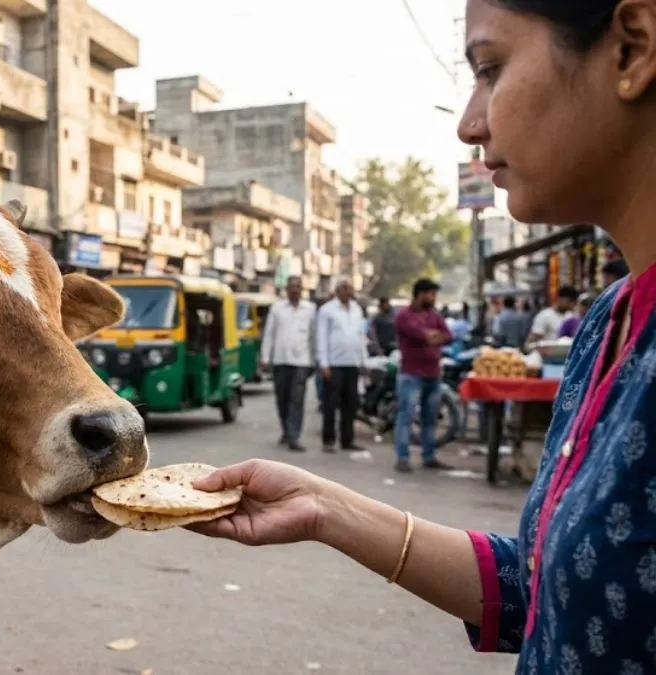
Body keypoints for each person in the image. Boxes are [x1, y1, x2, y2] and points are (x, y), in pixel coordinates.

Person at [186, 1, 656, 669]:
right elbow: (541, 588)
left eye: (491, 68)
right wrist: (322, 505)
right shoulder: (607, 326)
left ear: (632, 50)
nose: (470, 124)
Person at [391, 279, 453, 473]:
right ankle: (402, 457)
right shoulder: (404, 316)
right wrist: (433, 336)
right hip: (411, 374)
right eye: (431, 294)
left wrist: (433, 335)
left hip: (433, 373)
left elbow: (448, 335)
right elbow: (422, 335)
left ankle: (429, 455)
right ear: (420, 294)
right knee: (406, 416)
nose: (434, 298)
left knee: (430, 417)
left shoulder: (434, 315)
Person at [260, 276, 316, 452]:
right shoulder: (277, 309)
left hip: (301, 360)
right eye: (291, 287)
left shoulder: (310, 309)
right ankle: (286, 429)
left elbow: (314, 336)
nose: (295, 290)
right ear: (286, 289)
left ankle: (294, 436)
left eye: (298, 286)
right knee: (282, 398)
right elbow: (269, 334)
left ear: (302, 289)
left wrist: (316, 360)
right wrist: (265, 357)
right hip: (280, 360)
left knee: (297, 399)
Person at [315, 278, 365, 452]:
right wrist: (324, 363)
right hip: (334, 363)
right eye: (344, 288)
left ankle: (347, 440)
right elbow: (321, 337)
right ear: (337, 291)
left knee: (350, 403)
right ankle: (328, 440)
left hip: (352, 362)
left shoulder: (357, 309)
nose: (347, 291)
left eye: (349, 288)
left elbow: (360, 336)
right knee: (330, 403)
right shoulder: (327, 310)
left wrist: (363, 360)